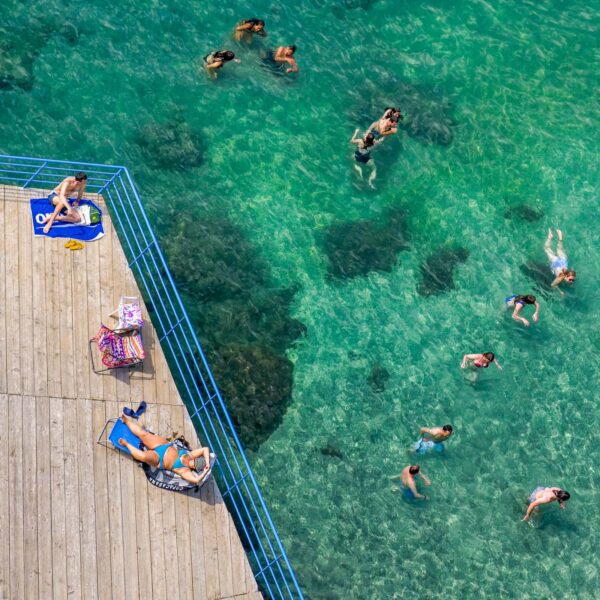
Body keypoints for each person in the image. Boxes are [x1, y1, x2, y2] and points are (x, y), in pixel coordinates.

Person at [118, 413, 212, 484]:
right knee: (143, 434)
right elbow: (205, 449)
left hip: (159, 459)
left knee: (143, 457)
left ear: (195, 468)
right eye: (196, 460)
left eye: (195, 465)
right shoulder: (191, 455)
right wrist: (207, 462)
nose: (193, 462)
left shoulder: (185, 470)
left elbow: (196, 480)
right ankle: (126, 420)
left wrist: (205, 472)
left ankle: (126, 444)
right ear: (196, 458)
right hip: (163, 444)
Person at [544, 229, 576, 293]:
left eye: (572, 280)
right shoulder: (560, 278)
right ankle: (550, 237)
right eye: (570, 280)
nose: (571, 281)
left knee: (559, 249)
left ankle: (560, 238)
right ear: (566, 276)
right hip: (555, 262)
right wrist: (560, 292)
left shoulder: (566, 272)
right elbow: (552, 285)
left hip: (563, 260)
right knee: (546, 248)